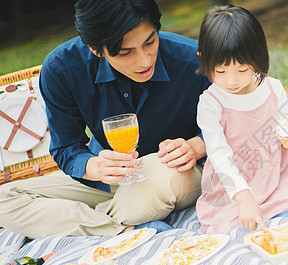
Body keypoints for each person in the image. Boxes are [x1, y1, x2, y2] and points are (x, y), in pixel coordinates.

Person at [0, 0, 210, 239]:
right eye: (125, 52)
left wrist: (198, 145)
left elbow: (241, 122)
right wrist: (94, 167)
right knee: (5, 200)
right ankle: (124, 229)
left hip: (172, 171)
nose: (144, 60)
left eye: (149, 42)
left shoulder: (195, 60)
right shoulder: (62, 69)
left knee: (158, 176)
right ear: (94, 48)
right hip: (109, 179)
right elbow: (66, 148)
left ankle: (81, 220)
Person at [195, 5, 288, 234]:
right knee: (233, 229)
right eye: (221, 71)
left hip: (273, 177)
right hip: (233, 189)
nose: (231, 81)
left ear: (256, 58)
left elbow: (287, 122)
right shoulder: (210, 103)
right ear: (203, 60)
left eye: (242, 69)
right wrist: (244, 198)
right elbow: (219, 156)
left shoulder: (272, 88)